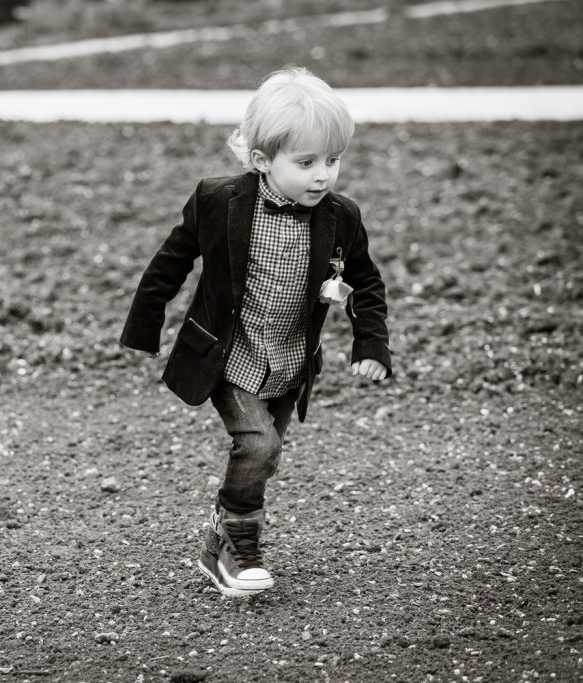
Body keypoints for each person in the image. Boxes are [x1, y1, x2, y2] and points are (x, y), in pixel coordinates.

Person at [119, 67, 392, 598]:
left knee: (265, 455)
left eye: (333, 161)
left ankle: (222, 531)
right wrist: (144, 327)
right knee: (258, 444)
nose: (323, 176)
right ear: (263, 160)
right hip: (230, 355)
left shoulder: (341, 217)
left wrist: (371, 343)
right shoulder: (218, 200)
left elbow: (365, 282)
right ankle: (236, 547)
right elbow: (170, 263)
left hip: (290, 361)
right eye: (307, 163)